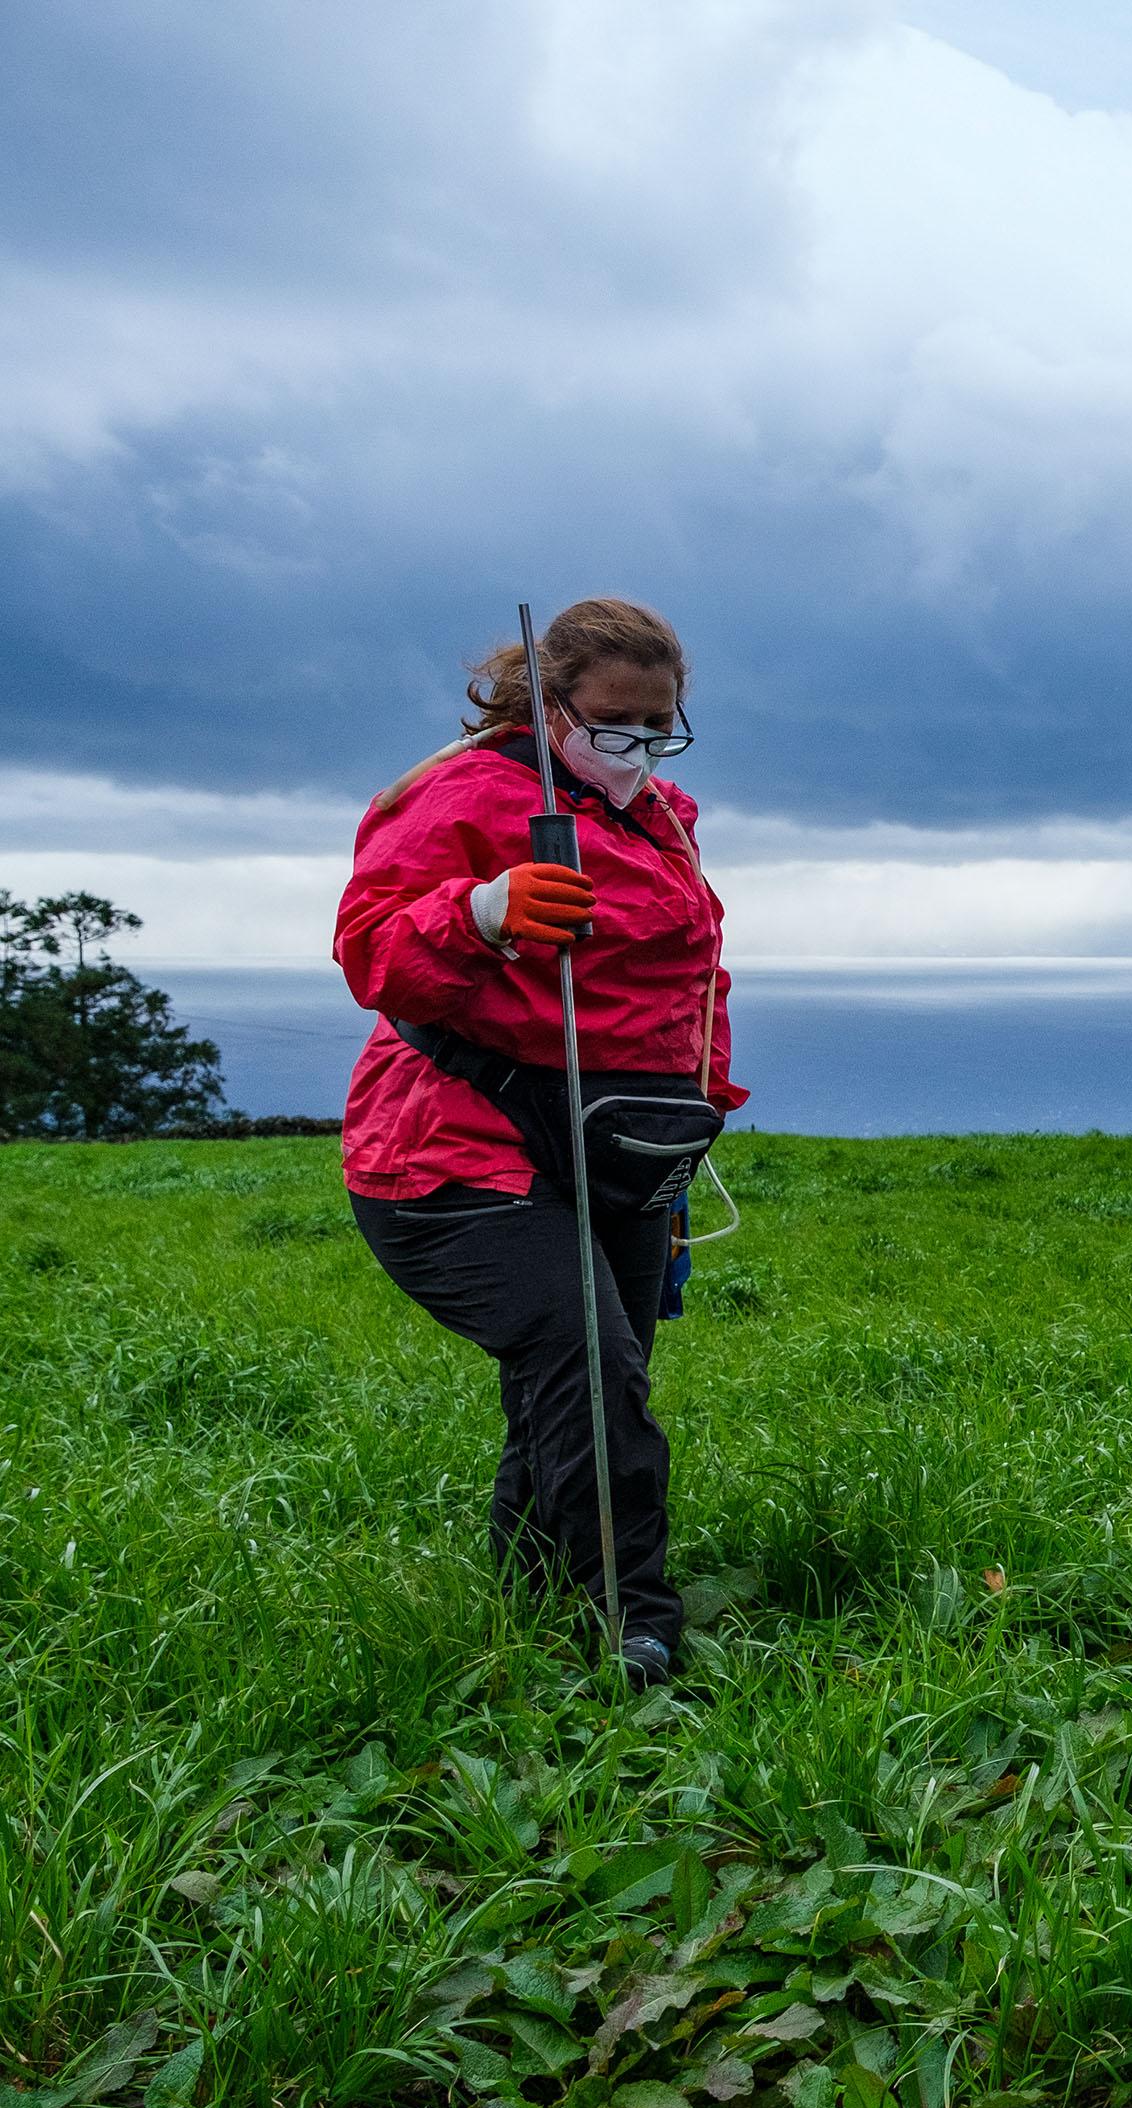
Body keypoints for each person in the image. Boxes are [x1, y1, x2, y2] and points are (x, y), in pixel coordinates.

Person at [334, 598, 742, 1688]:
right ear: (548, 702)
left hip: (620, 1152)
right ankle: (636, 1625)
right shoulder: (459, 795)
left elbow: (695, 979)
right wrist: (479, 912)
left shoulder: (659, 816)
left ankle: (526, 1605)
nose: (638, 743)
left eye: (661, 723)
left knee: (576, 1384)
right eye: (615, 720)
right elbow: (373, 954)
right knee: (588, 1366)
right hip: (453, 1150)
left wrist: (696, 1115)